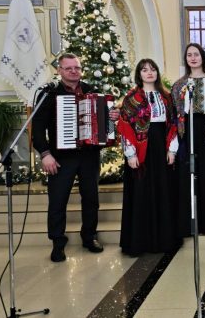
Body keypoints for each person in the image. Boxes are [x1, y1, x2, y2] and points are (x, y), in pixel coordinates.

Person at [31, 53, 119, 262]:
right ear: (59, 70)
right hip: (61, 157)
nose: (73, 71)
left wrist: (112, 117)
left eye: (77, 68)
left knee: (91, 199)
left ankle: (89, 237)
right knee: (57, 200)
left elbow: (107, 122)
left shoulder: (92, 91)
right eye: (68, 68)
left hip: (89, 155)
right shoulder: (49, 93)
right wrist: (45, 154)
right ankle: (58, 243)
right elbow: (37, 130)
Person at [117, 59, 180, 255]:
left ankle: (164, 240)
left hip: (161, 148)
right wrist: (130, 154)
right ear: (139, 74)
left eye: (153, 69)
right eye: (144, 70)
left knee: (163, 191)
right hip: (140, 151)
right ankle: (140, 242)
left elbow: (173, 124)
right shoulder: (131, 98)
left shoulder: (166, 97)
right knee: (141, 193)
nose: (149, 73)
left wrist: (172, 150)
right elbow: (125, 127)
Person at [171, 43, 205, 236]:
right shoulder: (179, 84)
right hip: (187, 130)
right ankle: (188, 224)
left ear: (203, 57)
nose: (193, 58)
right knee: (188, 174)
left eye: (196, 54)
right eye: (189, 55)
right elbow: (176, 113)